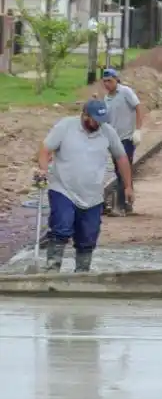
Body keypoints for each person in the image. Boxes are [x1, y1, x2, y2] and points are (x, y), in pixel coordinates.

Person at [35, 99, 134, 273]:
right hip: (63, 189)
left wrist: (128, 186)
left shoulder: (107, 132)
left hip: (93, 195)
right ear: (84, 115)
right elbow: (45, 149)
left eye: (101, 120)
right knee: (61, 227)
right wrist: (43, 169)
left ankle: (82, 272)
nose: (98, 124)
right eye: (95, 119)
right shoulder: (66, 127)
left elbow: (121, 157)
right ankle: (52, 268)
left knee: (88, 236)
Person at [102, 68, 144, 216]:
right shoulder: (106, 99)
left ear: (116, 80)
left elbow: (138, 107)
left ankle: (120, 206)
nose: (107, 84)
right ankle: (127, 203)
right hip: (114, 140)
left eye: (110, 81)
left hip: (126, 138)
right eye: (105, 81)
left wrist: (138, 129)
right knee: (120, 171)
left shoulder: (125, 92)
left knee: (122, 171)